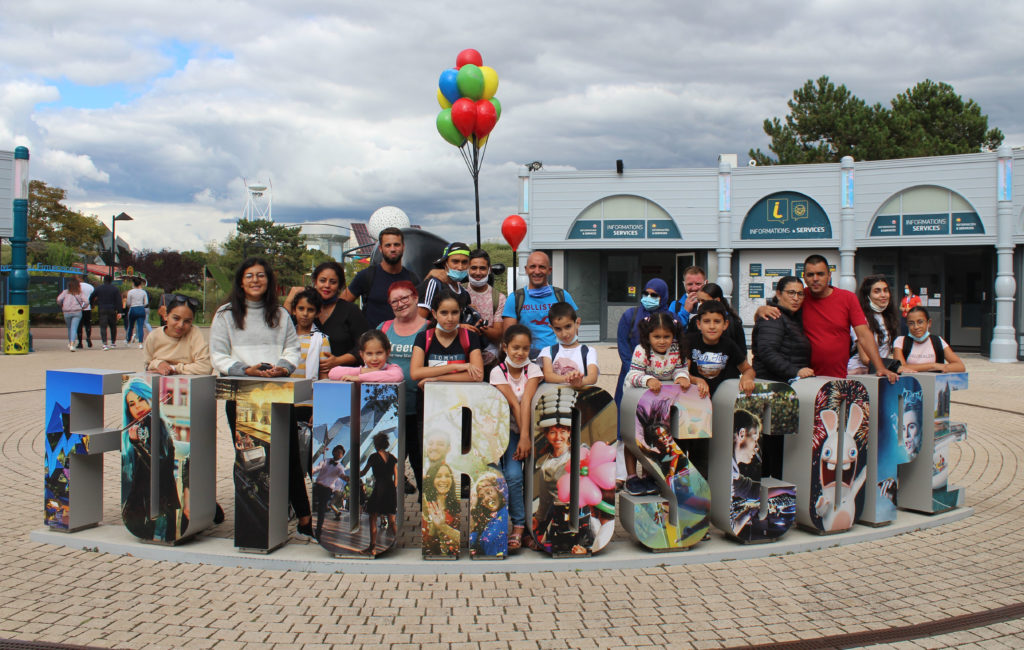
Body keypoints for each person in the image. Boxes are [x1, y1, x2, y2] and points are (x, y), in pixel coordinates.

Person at [209, 257, 311, 538]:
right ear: (241, 280)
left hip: (277, 392)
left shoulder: (280, 313)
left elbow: (293, 349)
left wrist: (283, 367)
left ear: (269, 281)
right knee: (249, 458)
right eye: (250, 275)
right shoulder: (225, 314)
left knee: (288, 455)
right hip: (242, 393)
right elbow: (218, 355)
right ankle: (256, 519)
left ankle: (304, 518)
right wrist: (246, 369)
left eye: (261, 276)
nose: (255, 280)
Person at [757, 255, 898, 382]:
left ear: (829, 275)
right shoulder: (800, 297)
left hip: (837, 377)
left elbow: (864, 335)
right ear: (804, 277)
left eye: (820, 274)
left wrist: (880, 367)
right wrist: (760, 310)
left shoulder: (847, 298)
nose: (815, 279)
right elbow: (775, 314)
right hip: (804, 378)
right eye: (810, 274)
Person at [623, 311, 691, 495]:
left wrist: (682, 377)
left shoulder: (677, 349)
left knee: (652, 441)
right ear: (648, 336)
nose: (662, 341)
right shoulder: (642, 350)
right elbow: (633, 375)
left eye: (667, 336)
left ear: (673, 335)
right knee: (634, 439)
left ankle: (648, 475)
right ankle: (631, 477)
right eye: (657, 337)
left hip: (660, 403)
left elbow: (680, 369)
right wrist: (647, 380)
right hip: (638, 402)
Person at [489, 324, 541, 551]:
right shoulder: (497, 371)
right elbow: (512, 402)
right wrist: (521, 438)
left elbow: (526, 402)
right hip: (503, 432)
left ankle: (520, 526)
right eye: (515, 348)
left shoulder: (534, 370)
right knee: (504, 476)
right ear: (505, 347)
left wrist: (526, 437)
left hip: (527, 431)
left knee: (517, 477)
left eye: (525, 348)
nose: (520, 353)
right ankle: (498, 524)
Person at [378, 281, 429, 493]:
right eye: (395, 301)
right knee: (389, 458)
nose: (400, 304)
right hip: (389, 409)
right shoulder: (384, 328)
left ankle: (424, 507)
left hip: (420, 408)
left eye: (404, 298)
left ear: (416, 298)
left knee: (420, 460)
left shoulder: (430, 328)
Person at [121, 376, 179, 541]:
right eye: (132, 404)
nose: (138, 406)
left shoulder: (158, 426)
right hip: (144, 503)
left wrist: (138, 444)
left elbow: (159, 467)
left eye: (141, 399)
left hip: (160, 503)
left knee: (159, 538)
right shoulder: (137, 427)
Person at [289, 261, 369, 375]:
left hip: (343, 378)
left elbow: (365, 345)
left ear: (339, 286)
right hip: (301, 379)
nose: (327, 285)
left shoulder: (350, 311)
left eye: (333, 282)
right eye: (322, 280)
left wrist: (337, 361)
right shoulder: (304, 310)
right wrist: (289, 299)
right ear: (315, 282)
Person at [502, 251, 578, 359]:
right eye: (532, 267)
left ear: (549, 270)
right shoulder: (515, 298)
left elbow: (574, 332)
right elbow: (508, 336)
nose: (537, 271)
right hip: (527, 359)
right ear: (526, 269)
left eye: (542, 267)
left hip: (558, 357)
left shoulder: (562, 296)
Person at [340, 227, 421, 328]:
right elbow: (341, 305)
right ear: (380, 248)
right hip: (372, 340)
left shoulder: (412, 279)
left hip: (402, 341)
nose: (392, 249)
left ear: (403, 247)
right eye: (388, 245)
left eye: (396, 244)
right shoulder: (366, 276)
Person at [409, 288, 485, 387]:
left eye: (454, 312)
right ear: (434, 314)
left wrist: (437, 379)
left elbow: (478, 376)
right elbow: (415, 373)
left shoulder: (470, 337)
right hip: (429, 399)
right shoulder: (423, 337)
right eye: (444, 313)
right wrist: (455, 367)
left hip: (461, 399)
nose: (450, 318)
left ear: (460, 312)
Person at [751, 276, 813, 383]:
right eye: (791, 293)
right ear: (779, 294)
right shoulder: (772, 316)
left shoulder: (794, 317)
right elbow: (767, 352)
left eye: (800, 294)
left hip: (788, 383)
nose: (796, 298)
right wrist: (796, 371)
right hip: (773, 386)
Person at [688, 301, 755, 398]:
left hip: (723, 399)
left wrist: (747, 378)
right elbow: (683, 372)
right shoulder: (690, 342)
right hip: (695, 399)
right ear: (698, 324)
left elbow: (748, 369)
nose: (712, 326)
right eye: (706, 321)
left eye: (717, 321)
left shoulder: (729, 345)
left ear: (725, 324)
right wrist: (697, 380)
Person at [143, 295, 212, 375]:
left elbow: (205, 367)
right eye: (176, 318)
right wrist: (158, 364)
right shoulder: (154, 337)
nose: (180, 325)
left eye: (187, 321)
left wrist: (173, 368)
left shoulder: (195, 334)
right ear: (166, 316)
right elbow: (147, 366)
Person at [539, 302, 599, 388]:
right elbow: (548, 376)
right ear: (551, 328)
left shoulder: (589, 351)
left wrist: (579, 382)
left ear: (577, 323)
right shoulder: (547, 351)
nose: (564, 334)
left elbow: (593, 377)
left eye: (568, 326)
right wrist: (570, 379)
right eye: (558, 329)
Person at [465, 249, 507, 370]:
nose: (478, 273)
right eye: (473, 268)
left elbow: (498, 334)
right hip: (463, 361)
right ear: (467, 268)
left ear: (489, 269)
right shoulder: (459, 292)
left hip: (490, 362)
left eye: (482, 268)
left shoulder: (499, 298)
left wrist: (479, 326)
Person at [849, 275, 900, 375]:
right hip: (860, 373)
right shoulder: (860, 318)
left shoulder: (888, 316)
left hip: (881, 372)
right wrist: (894, 367)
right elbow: (865, 358)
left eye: (885, 290)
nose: (883, 295)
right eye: (877, 291)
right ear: (867, 295)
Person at [893, 306, 966, 373]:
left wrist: (945, 368)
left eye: (920, 322)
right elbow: (901, 367)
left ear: (929, 323)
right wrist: (933, 366)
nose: (916, 327)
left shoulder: (938, 341)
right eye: (911, 323)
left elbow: (960, 366)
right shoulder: (900, 341)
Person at [360, 432, 398, 556]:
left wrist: (353, 473)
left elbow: (363, 472)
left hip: (379, 488)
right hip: (390, 488)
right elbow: (396, 477)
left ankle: (372, 547)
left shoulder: (373, 457)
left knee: (373, 517)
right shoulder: (392, 457)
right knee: (392, 520)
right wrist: (392, 489)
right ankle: (398, 544)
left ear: (376, 444)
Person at [685, 282, 747, 353]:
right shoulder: (695, 321)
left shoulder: (733, 322)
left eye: (704, 301)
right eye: (699, 301)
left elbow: (742, 352)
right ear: (699, 324)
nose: (700, 304)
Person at [417, 242, 472, 320]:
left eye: (464, 262)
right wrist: (459, 327)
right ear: (445, 263)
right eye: (455, 261)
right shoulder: (434, 284)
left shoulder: (464, 293)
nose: (460, 267)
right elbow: (419, 322)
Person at [328, 330, 404, 383]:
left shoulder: (392, 369)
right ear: (362, 355)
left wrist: (359, 378)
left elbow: (397, 376)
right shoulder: (361, 371)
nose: (374, 359)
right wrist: (363, 371)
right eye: (369, 354)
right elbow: (332, 373)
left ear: (388, 352)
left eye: (379, 353)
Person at [289, 288, 332, 380]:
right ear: (294, 310)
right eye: (301, 308)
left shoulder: (322, 340)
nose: (305, 314)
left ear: (317, 313)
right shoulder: (287, 337)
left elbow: (324, 374)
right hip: (284, 391)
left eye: (310, 310)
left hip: (309, 391)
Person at [421, 462, 460, 556]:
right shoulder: (425, 507)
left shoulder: (457, 506)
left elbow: (463, 540)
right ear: (431, 480)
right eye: (438, 476)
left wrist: (443, 526)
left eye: (447, 476)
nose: (444, 480)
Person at [311, 445, 348, 540]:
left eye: (341, 453)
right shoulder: (326, 461)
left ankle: (318, 531)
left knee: (321, 509)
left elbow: (342, 475)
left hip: (327, 489)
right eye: (338, 452)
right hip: (318, 486)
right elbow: (316, 468)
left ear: (342, 456)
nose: (339, 454)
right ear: (333, 452)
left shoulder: (340, 467)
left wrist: (347, 478)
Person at [469, 472, 509, 557]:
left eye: (489, 492)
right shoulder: (484, 521)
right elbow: (469, 541)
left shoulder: (507, 512)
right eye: (481, 497)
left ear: (498, 491)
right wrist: (473, 506)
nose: (486, 498)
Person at [56, 276, 88, 352]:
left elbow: (58, 299)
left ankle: (70, 342)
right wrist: (83, 307)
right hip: (77, 311)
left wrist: (62, 305)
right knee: (74, 328)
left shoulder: (65, 292)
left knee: (69, 328)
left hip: (67, 312)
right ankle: (72, 344)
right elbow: (86, 302)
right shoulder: (80, 293)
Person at [94, 275, 123, 350]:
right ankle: (113, 342)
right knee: (113, 326)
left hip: (102, 309)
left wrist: (92, 304)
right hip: (112, 309)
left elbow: (91, 296)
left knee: (103, 326)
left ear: (104, 280)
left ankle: (104, 343)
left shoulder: (99, 288)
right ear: (111, 281)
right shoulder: (115, 289)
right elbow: (119, 301)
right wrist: (119, 311)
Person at [124, 278, 149, 348]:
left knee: (130, 326)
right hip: (141, 308)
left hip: (133, 308)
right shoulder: (143, 292)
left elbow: (128, 302)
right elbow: (146, 302)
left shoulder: (130, 292)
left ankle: (128, 340)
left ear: (133, 284)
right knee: (140, 326)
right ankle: (140, 343)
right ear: (140, 284)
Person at [75, 277, 95, 349]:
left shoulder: (76, 287)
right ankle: (88, 337)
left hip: (78, 308)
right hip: (88, 308)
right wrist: (92, 304)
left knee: (79, 325)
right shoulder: (90, 287)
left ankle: (80, 343)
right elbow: (93, 296)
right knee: (88, 324)